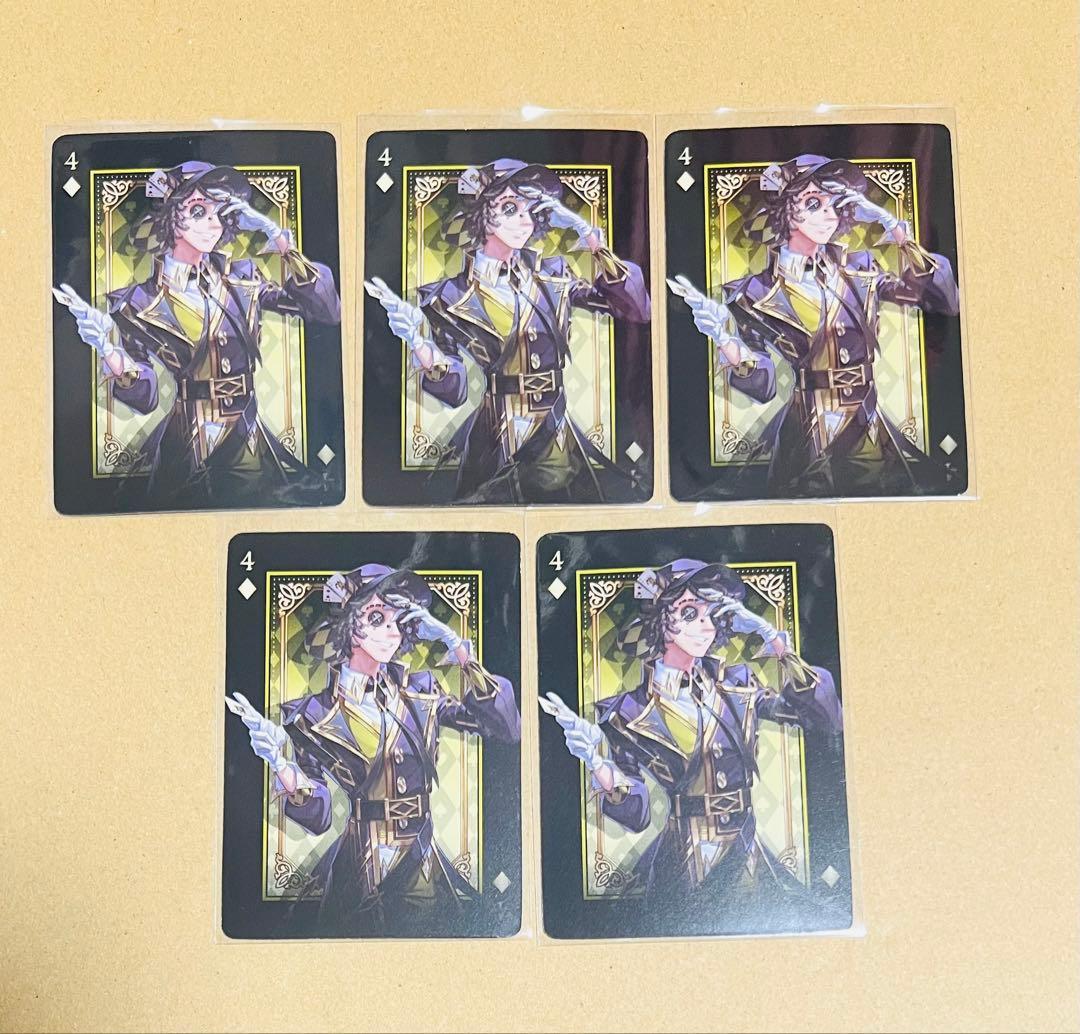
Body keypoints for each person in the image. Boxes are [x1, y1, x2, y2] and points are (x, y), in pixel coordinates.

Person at [541, 558, 841, 922]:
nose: (706, 624)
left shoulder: (739, 682)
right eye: (689, 612)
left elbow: (824, 720)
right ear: (660, 622)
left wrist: (777, 644)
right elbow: (636, 815)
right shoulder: (625, 712)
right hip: (686, 858)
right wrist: (598, 764)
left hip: (749, 851)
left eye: (712, 613)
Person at [226, 563, 520, 934]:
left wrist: (457, 648)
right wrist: (281, 767)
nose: (391, 632)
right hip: (363, 866)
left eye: (399, 619)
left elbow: (506, 729)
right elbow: (318, 818)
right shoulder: (311, 714)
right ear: (347, 626)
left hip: (423, 860)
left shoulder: (422, 690)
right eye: (377, 617)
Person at [669, 153, 960, 497]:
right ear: (784, 211)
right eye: (813, 203)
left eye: (836, 204)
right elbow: (763, 388)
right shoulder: (751, 292)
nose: (829, 215)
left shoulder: (861, 268)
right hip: (808, 434)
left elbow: (943, 301)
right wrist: (725, 341)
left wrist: (896, 231)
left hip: (868, 429)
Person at [53, 160, 341, 506]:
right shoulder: (136, 302)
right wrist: (110, 353)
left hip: (248, 437)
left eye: (221, 212)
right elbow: (145, 398)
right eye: (199, 211)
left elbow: (326, 312)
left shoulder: (244, 277)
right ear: (169, 217)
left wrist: (280, 240)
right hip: (189, 441)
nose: (213, 224)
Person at [365, 157, 650, 503]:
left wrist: (590, 238)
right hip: (497, 436)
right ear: (481, 214)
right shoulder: (447, 296)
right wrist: (419, 345)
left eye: (532, 210)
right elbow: (453, 392)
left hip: (557, 435)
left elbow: (636, 309)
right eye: (511, 208)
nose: (524, 221)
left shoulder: (554, 274)